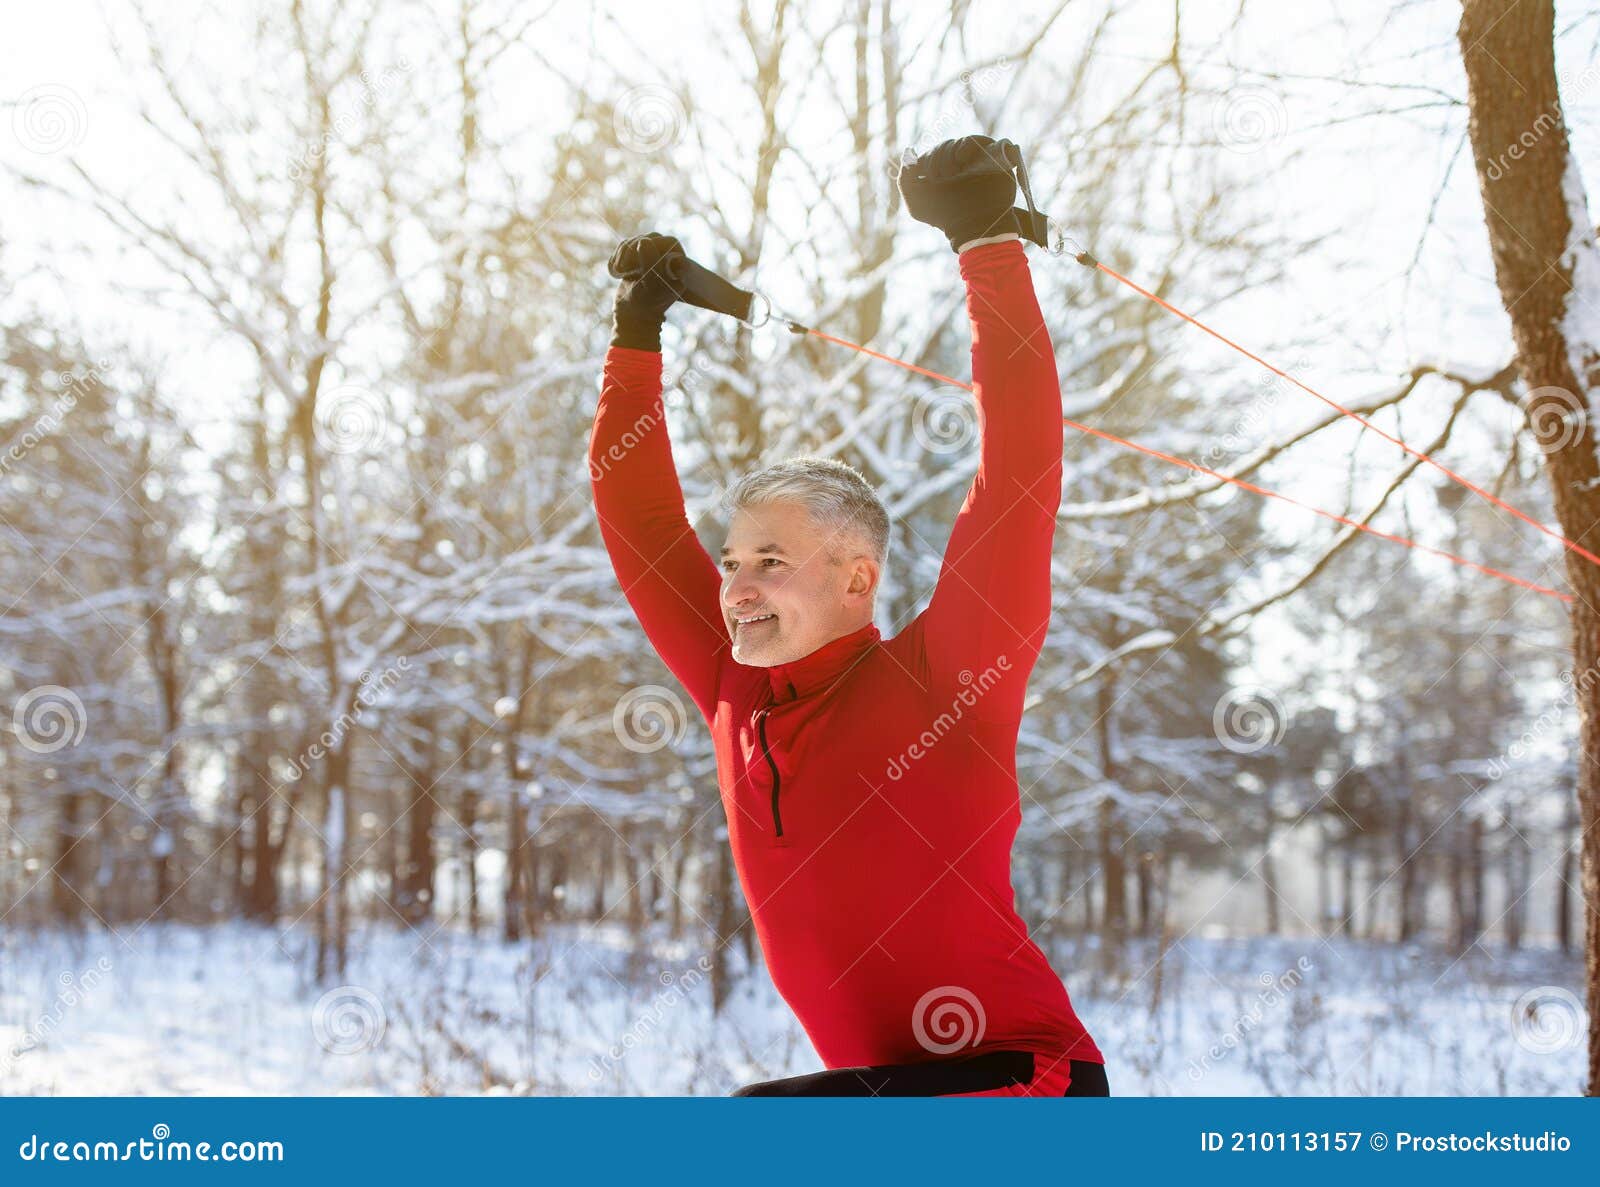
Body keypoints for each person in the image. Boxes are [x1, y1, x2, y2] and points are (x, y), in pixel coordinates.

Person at [589, 135, 1107, 1097]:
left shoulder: (948, 676)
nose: (736, 586)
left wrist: (987, 241)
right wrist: (635, 334)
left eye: (771, 563)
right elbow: (639, 519)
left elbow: (1017, 484)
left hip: (1025, 1086)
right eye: (735, 561)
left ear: (857, 577)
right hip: (891, 1100)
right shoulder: (734, 689)